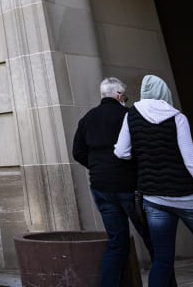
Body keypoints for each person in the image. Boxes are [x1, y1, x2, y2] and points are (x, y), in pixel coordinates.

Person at [114, 74, 193, 287]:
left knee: (162, 260)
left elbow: (121, 152)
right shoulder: (177, 117)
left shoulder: (130, 116)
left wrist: (145, 154)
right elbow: (191, 161)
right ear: (164, 92)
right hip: (189, 198)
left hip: (154, 198)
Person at [73, 77, 155, 286]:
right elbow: (143, 149)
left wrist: (98, 167)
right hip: (129, 186)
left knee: (117, 244)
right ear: (119, 96)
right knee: (153, 240)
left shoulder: (87, 119)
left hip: (101, 186)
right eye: (124, 96)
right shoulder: (128, 115)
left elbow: (78, 152)